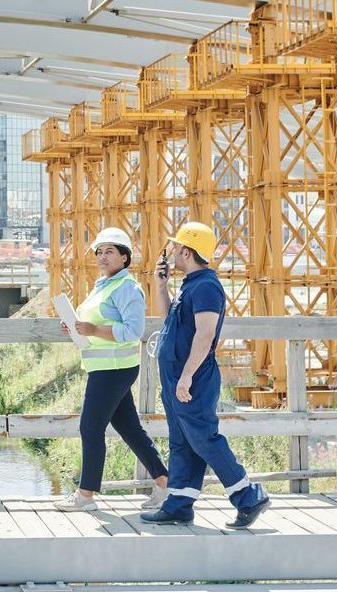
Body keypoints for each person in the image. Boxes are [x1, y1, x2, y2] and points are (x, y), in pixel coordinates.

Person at [140, 221, 271, 529]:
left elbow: (205, 334)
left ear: (187, 252)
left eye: (176, 247)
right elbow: (170, 322)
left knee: (203, 438)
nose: (172, 251)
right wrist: (161, 288)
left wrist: (187, 376)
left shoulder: (206, 287)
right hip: (177, 375)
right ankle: (178, 504)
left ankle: (248, 496)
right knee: (182, 440)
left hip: (193, 376)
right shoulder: (191, 285)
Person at [53, 227, 170, 512]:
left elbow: (133, 331)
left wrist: (93, 329)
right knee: (129, 428)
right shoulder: (103, 285)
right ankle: (166, 483)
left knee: (90, 427)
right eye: (99, 252)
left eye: (110, 251)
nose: (102, 257)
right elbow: (95, 324)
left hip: (114, 368)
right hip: (105, 367)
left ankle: (85, 496)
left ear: (124, 257)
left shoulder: (127, 287)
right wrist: (76, 327)